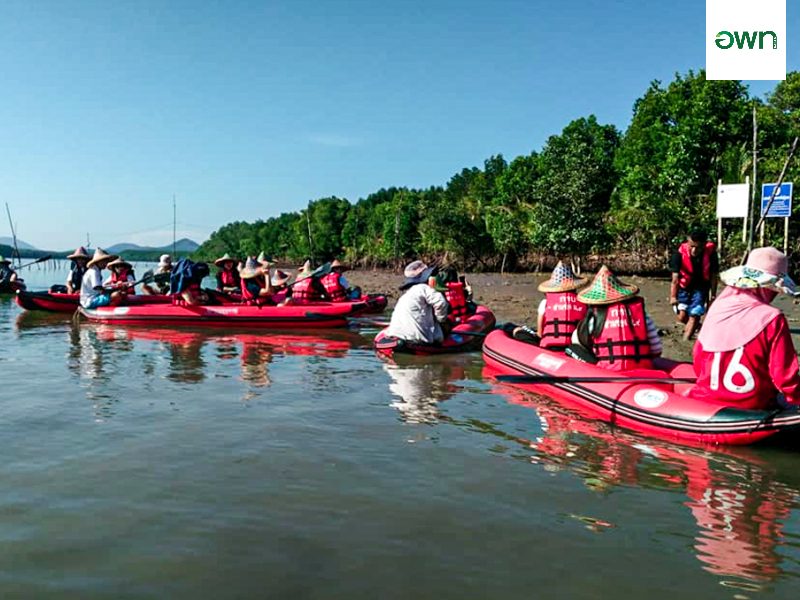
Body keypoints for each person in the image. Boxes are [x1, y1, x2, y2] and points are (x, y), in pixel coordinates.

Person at [689, 247, 800, 409]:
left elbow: (698, 358)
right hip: (753, 406)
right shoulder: (773, 318)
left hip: (706, 400)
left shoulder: (718, 308)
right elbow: (784, 375)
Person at [569, 265, 662, 371]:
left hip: (608, 372)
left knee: (572, 349)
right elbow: (657, 350)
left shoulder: (594, 319)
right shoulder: (642, 315)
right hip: (642, 369)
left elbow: (580, 341)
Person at [512, 261, 588, 349]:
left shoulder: (545, 302)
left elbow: (540, 334)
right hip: (574, 348)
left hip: (549, 347)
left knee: (517, 330)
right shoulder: (583, 303)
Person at [669, 229, 719, 340]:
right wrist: (673, 296)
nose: (694, 250)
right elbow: (675, 279)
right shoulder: (679, 255)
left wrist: (713, 295)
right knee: (682, 317)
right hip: (684, 287)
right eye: (692, 246)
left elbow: (714, 276)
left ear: (704, 245)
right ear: (688, 242)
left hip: (701, 288)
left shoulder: (711, 255)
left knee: (694, 315)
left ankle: (686, 340)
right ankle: (701, 327)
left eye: (698, 247)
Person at [383, 260, 449, 344]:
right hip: (417, 338)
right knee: (447, 325)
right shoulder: (422, 288)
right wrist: (441, 320)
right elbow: (441, 302)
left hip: (397, 334)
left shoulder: (405, 296)